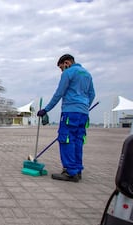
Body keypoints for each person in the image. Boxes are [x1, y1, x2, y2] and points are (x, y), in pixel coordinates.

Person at [37, 54, 95, 182]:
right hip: (83, 114)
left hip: (70, 112)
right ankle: (77, 170)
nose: (62, 70)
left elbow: (59, 93)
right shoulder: (87, 74)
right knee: (78, 141)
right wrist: (84, 106)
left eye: (61, 67)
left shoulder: (69, 73)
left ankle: (70, 172)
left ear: (67, 63)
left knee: (66, 139)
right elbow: (92, 94)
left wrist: (46, 109)